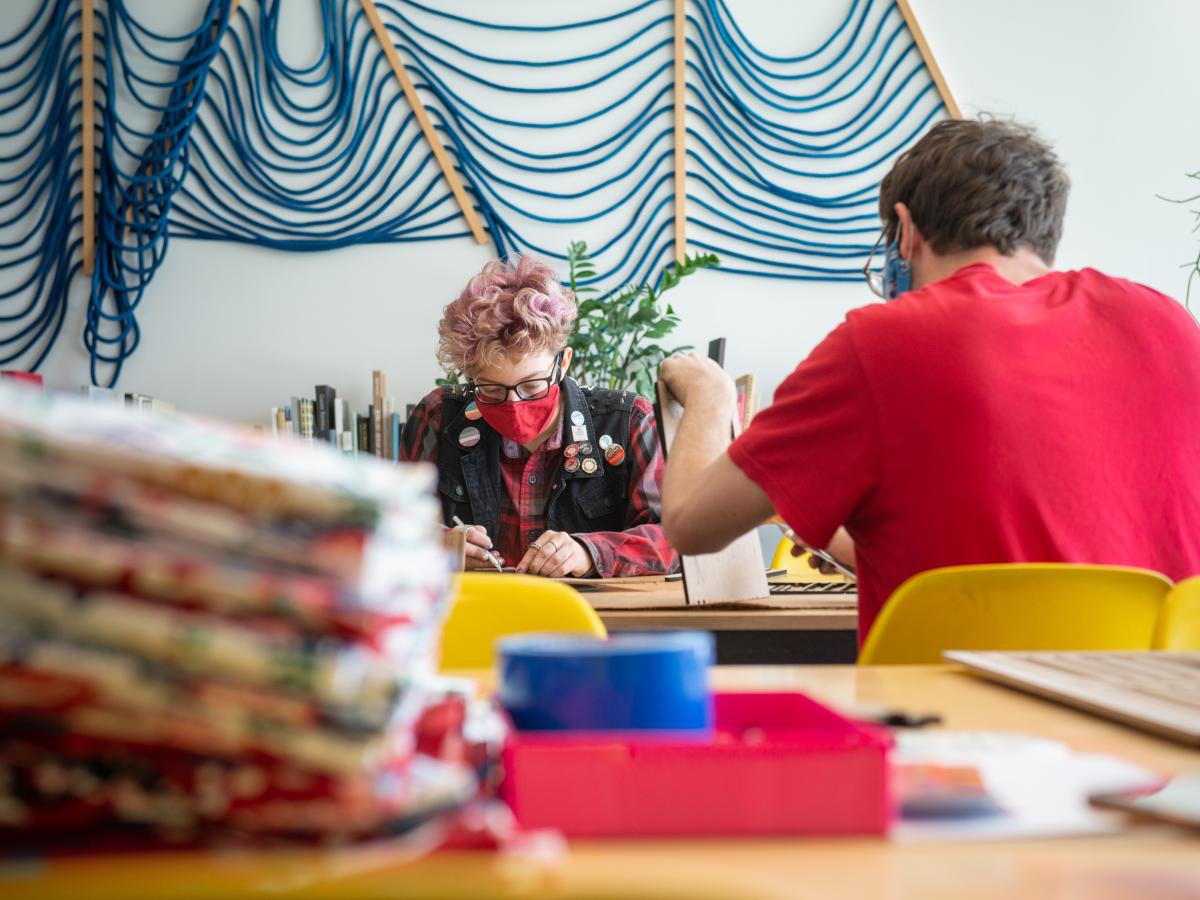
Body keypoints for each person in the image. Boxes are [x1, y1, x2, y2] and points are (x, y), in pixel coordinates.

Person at [659, 117, 1200, 646]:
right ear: (1045, 231)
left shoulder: (877, 342)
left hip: (958, 716)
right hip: (1159, 711)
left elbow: (689, 526)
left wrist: (711, 395)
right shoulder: (1166, 323)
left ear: (907, 229)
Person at [400, 255, 677, 578]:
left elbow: (676, 538)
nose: (515, 405)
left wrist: (590, 552)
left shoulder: (628, 422)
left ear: (564, 362)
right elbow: (388, 531)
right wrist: (440, 545)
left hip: (590, 622)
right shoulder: (439, 418)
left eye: (532, 387)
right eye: (491, 390)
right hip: (474, 618)